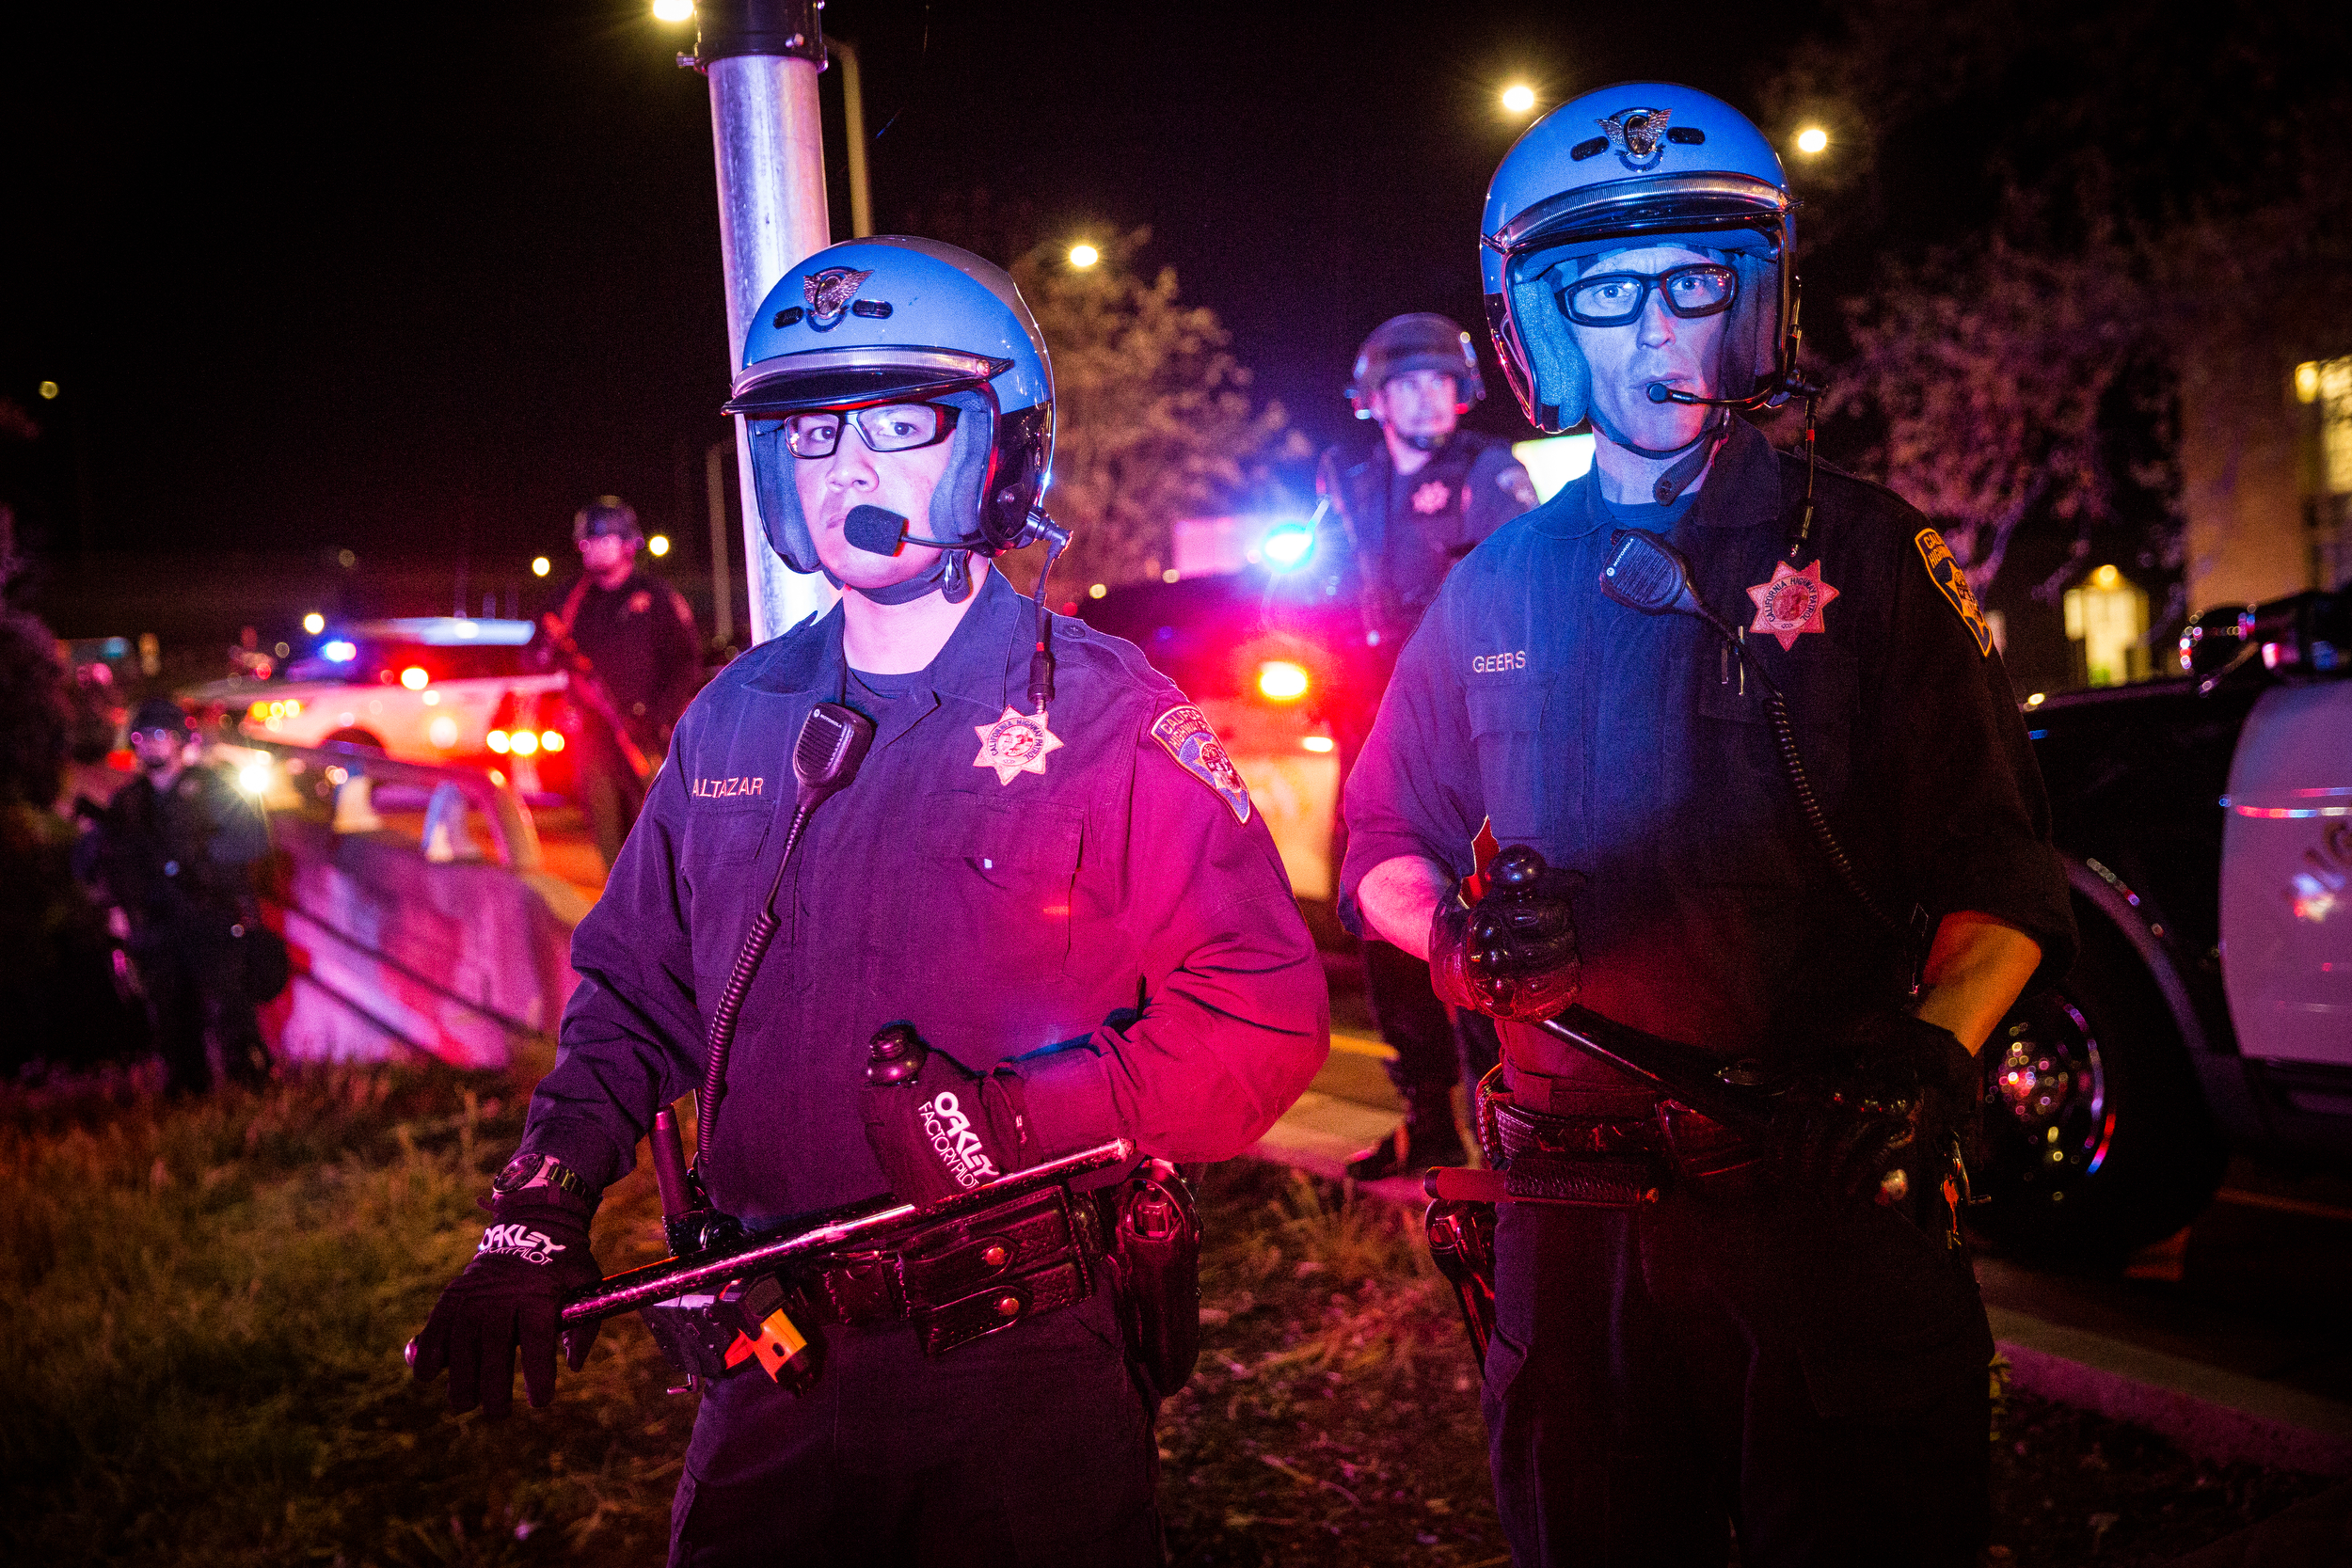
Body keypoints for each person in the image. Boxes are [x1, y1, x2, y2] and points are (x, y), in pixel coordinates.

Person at [410, 237, 1330, 1566]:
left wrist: (1012, 1121)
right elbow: (634, 995)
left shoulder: (1110, 715)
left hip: (1023, 1376)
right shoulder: (732, 718)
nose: (847, 467)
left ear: (998, 451)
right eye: (810, 430)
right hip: (773, 1373)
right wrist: (536, 1205)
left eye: (900, 426)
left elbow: (1260, 1015)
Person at [1340, 85, 2077, 1565]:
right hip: (1568, 1221)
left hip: (1816, 1199)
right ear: (1541, 329)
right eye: (1608, 295)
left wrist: (1939, 1045)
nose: (1656, 333)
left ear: (1756, 305)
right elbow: (1380, 842)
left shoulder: (1868, 550)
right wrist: (1456, 932)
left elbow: (1997, 860)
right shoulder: (1493, 584)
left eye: (1694, 286)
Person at [1304, 314, 1535, 1179]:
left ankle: (1509, 1132)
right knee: (1377, 913)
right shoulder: (1351, 483)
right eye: (1411, 383)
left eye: (1444, 382)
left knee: (1472, 918)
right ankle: (1424, 1121)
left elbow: (1515, 584)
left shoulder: (1488, 472)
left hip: (1461, 730)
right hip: (1368, 726)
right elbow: (1314, 581)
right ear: (1376, 399)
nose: (1430, 397)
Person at [74, 696, 274, 1093]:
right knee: (172, 1025)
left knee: (232, 1016)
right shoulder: (128, 802)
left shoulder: (214, 787)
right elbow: (105, 864)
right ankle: (188, 1104)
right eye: (140, 736)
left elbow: (254, 839)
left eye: (159, 735)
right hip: (157, 930)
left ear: (181, 740)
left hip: (211, 920)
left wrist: (199, 861)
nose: (149, 744)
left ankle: (254, 1096)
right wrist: (116, 911)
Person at [542, 496, 702, 866]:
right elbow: (540, 654)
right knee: (609, 839)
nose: (591, 549)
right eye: (586, 542)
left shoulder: (657, 596)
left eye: (602, 540)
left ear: (628, 543)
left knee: (657, 830)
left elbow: (685, 662)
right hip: (593, 736)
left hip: (646, 732)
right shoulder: (572, 599)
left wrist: (661, 717)